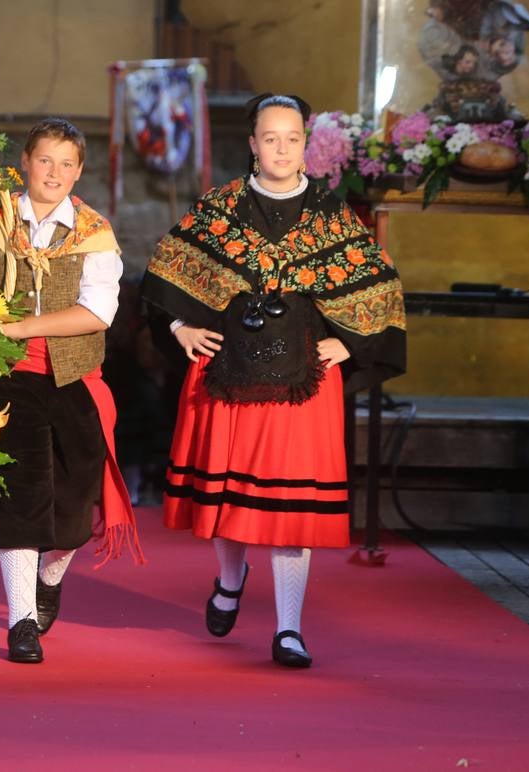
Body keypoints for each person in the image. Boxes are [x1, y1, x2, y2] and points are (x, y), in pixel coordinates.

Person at [142, 93, 406, 668]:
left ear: (305, 146)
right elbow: (167, 271)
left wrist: (351, 342)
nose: (281, 148)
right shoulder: (220, 207)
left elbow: (379, 290)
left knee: (293, 509)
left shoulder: (332, 214)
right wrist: (182, 326)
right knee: (231, 498)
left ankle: (289, 629)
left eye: (292, 138)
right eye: (271, 138)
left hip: (301, 382)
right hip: (228, 375)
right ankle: (230, 581)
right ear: (253, 145)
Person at [0, 117, 142, 664]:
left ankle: (51, 577)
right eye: (45, 160)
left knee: (74, 509)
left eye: (67, 163)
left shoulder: (95, 231)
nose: (55, 172)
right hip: (13, 378)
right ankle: (20, 620)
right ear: (25, 162)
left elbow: (98, 313)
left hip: (76, 380)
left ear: (79, 172)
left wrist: (22, 326)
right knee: (21, 499)